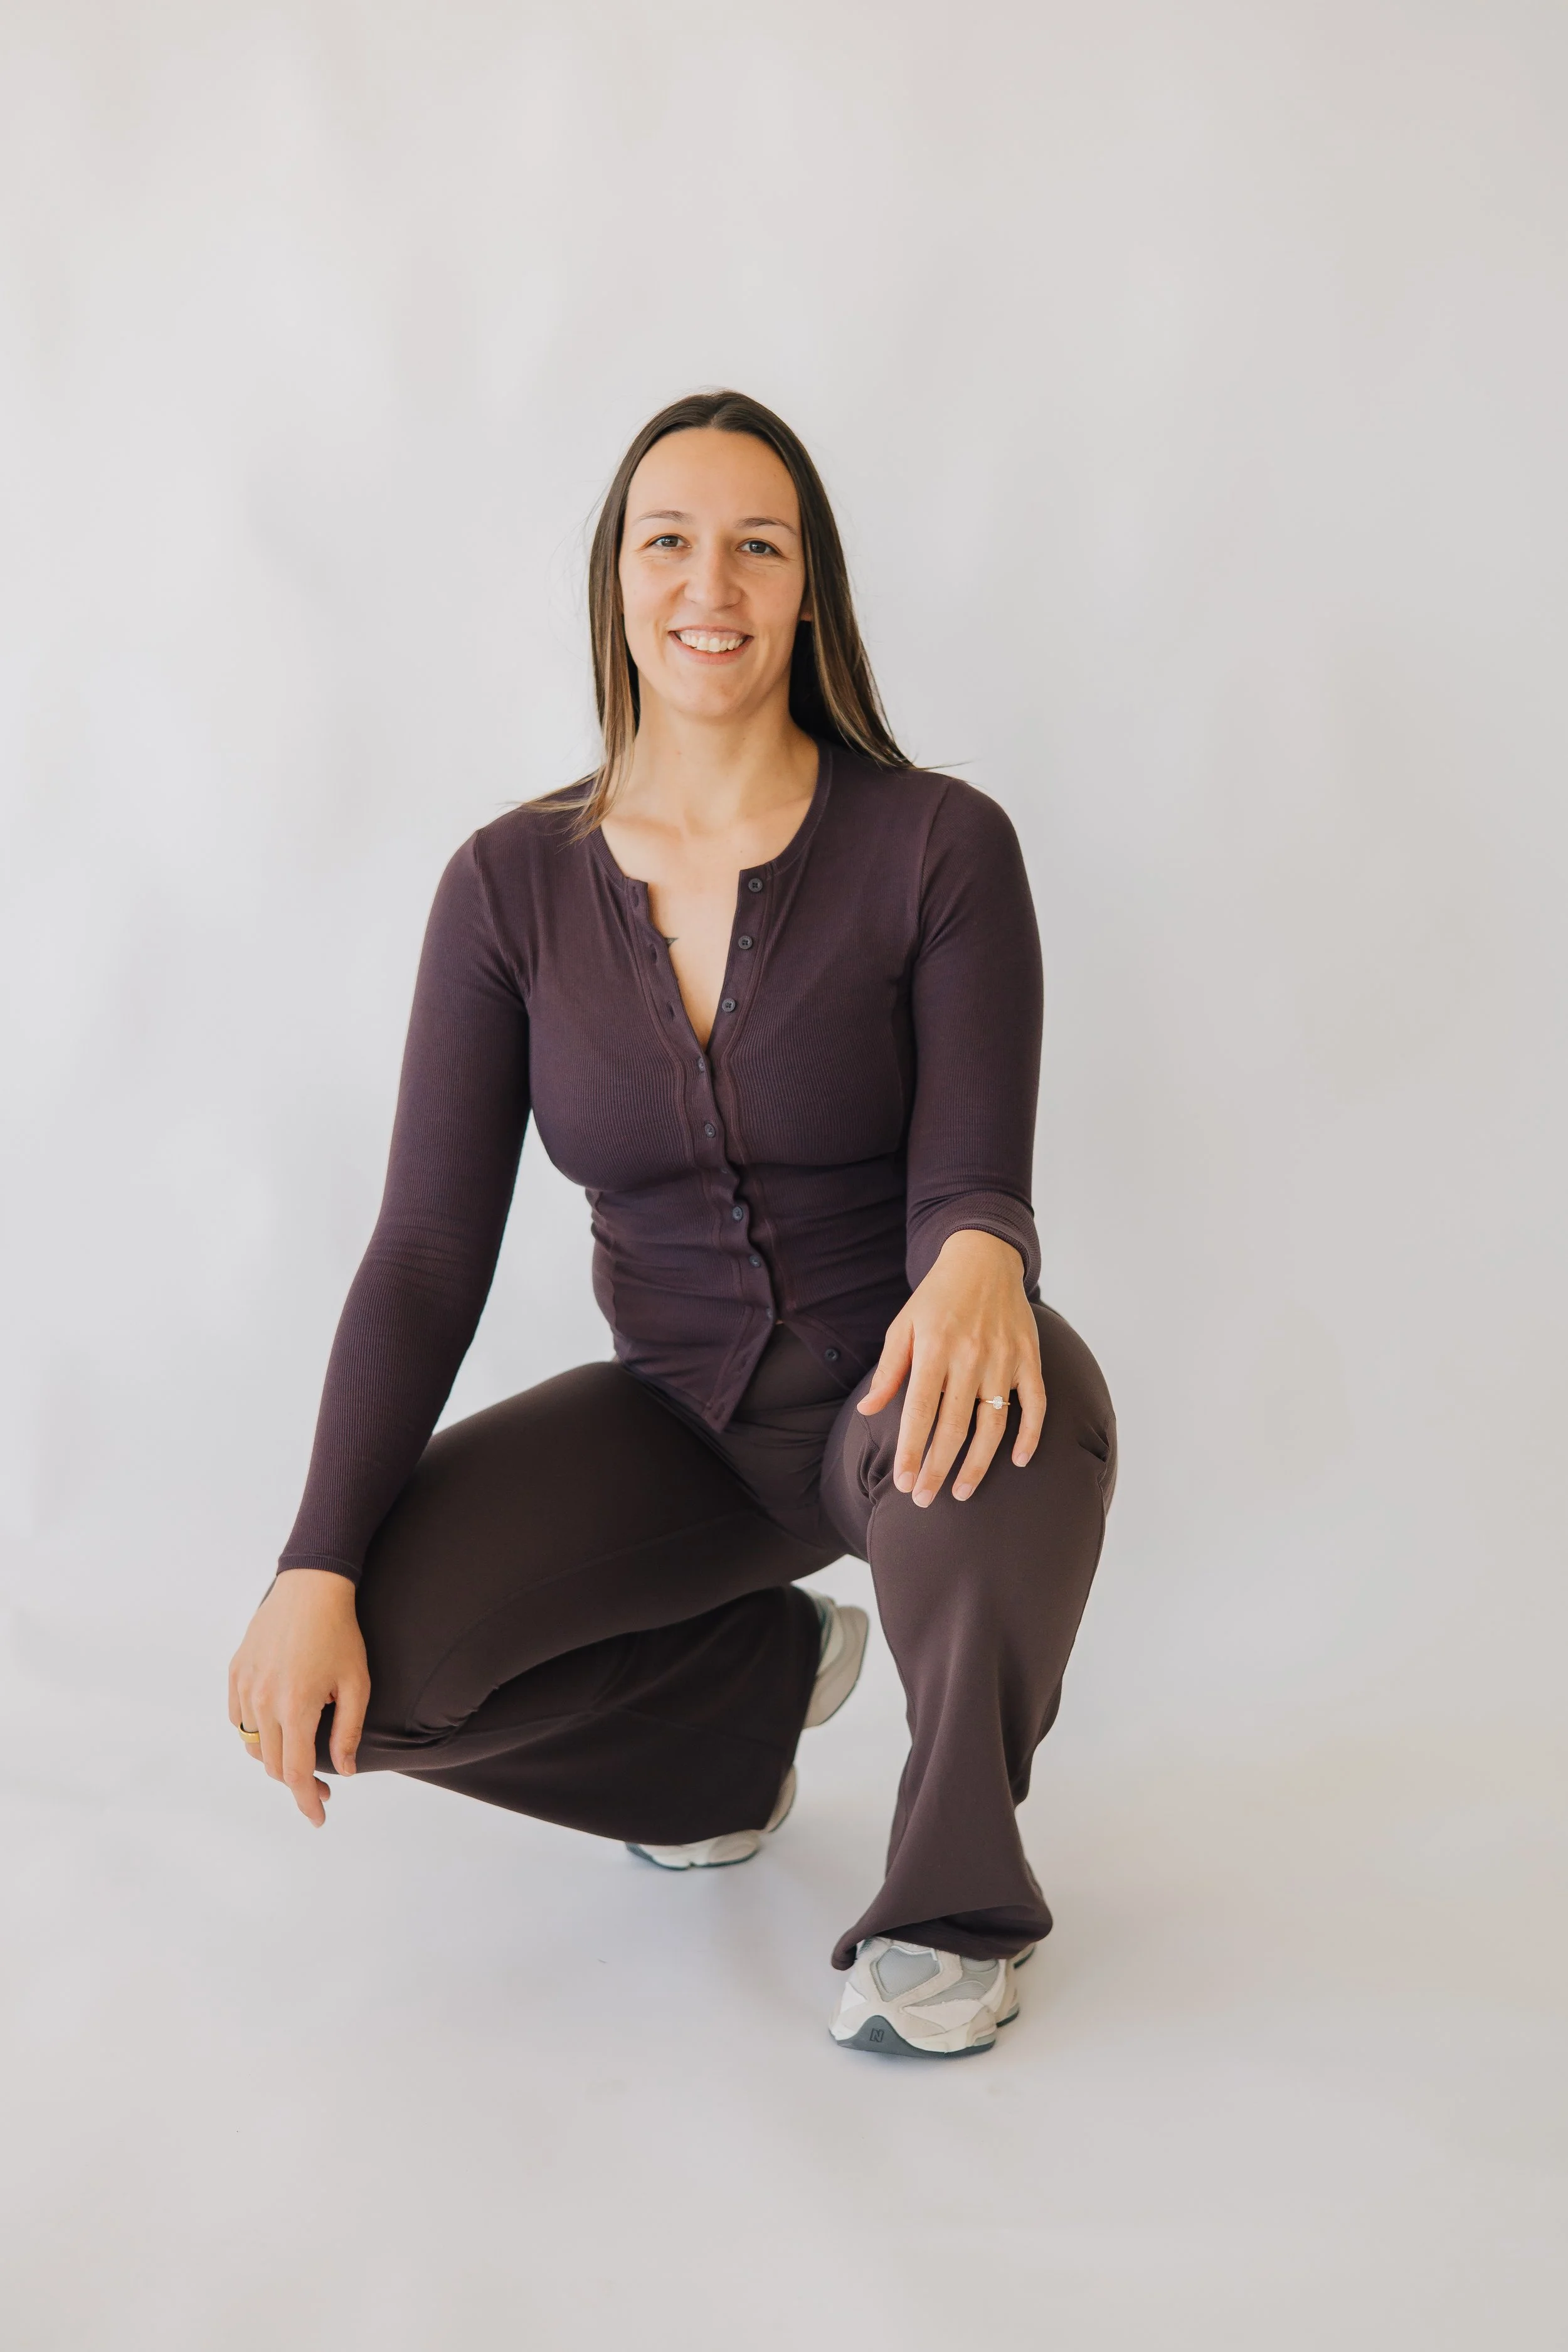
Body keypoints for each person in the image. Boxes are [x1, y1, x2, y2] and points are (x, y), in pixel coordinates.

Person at [228, 389, 1117, 2058]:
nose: (710, 582)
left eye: (756, 545)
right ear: (616, 579)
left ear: (807, 588)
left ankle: (952, 1906)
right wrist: (315, 1555)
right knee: (372, 1671)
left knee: (989, 1430)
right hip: (677, 1429)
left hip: (907, 1379)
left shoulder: (937, 844)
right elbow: (426, 1249)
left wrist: (981, 1253)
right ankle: (741, 1710)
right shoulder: (506, 888)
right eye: (669, 540)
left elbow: (971, 1168)